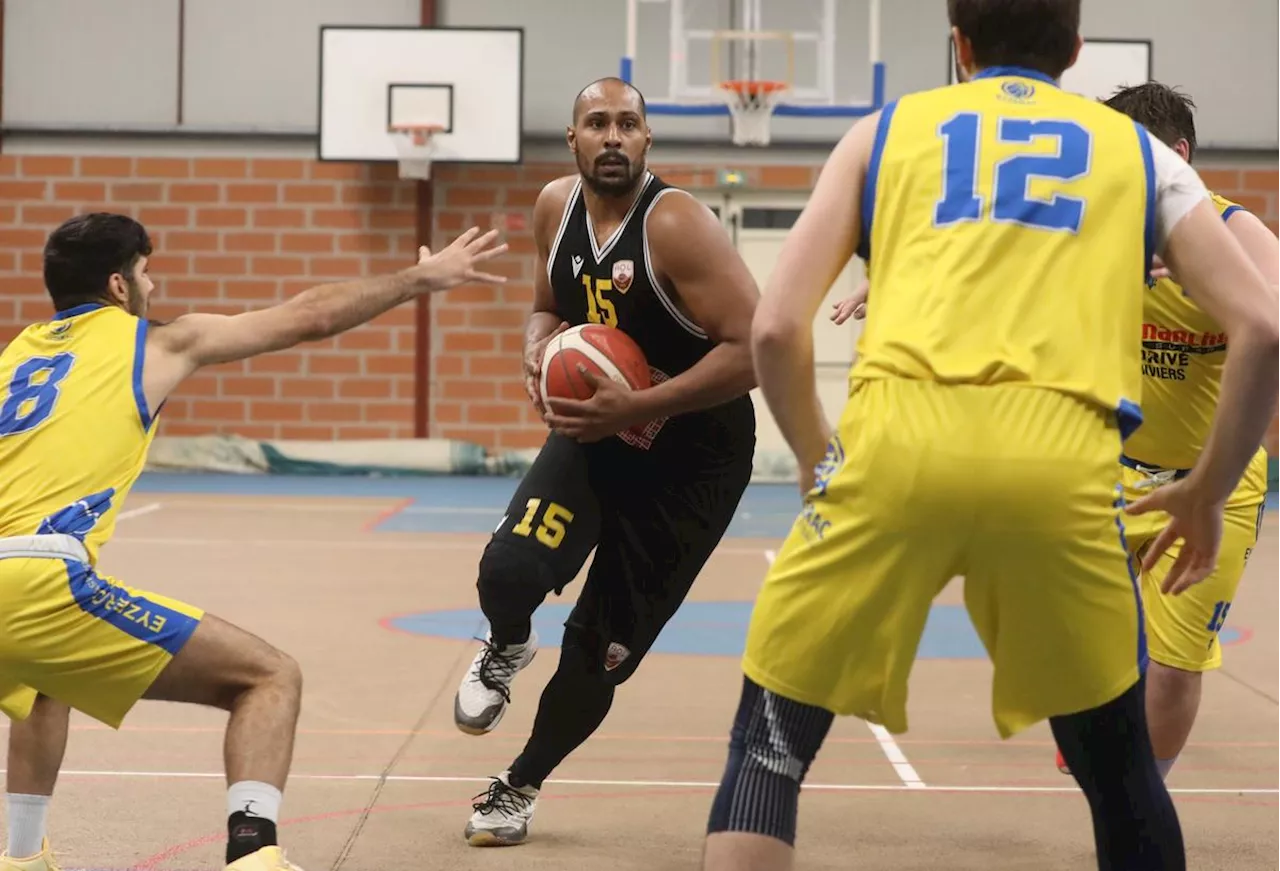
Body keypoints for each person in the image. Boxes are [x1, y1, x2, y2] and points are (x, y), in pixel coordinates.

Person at [700, 0, 1280, 869]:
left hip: (896, 453)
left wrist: (818, 453)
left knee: (768, 751)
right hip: (1062, 471)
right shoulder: (1140, 154)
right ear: (1077, 50)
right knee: (1123, 776)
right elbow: (1264, 328)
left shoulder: (886, 133)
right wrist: (1207, 486)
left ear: (959, 46)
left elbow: (777, 328)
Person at [0, 214, 507, 871]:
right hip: (39, 579)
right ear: (119, 285)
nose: (153, 285)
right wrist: (417, 277)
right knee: (269, 677)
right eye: (146, 271)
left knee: (44, 679)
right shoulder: (155, 343)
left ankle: (20, 855)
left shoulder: (14, 360)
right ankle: (254, 854)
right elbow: (309, 316)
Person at [453, 76, 759, 847]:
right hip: (599, 427)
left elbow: (756, 348)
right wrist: (536, 350)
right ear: (574, 139)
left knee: (600, 646)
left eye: (628, 123)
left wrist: (644, 406)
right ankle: (506, 642)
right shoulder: (554, 208)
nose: (613, 135)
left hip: (695, 457)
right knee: (506, 571)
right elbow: (547, 306)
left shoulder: (677, 225)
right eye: (598, 122)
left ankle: (518, 784)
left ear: (647, 140)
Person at [1048, 83, 1278, 779]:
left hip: (1212, 483)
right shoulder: (1093, 229)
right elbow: (993, 261)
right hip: (1106, 472)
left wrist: (1197, 273)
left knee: (1176, 670)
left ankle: (1143, 801)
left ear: (1177, 158)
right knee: (1068, 631)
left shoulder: (1236, 235)